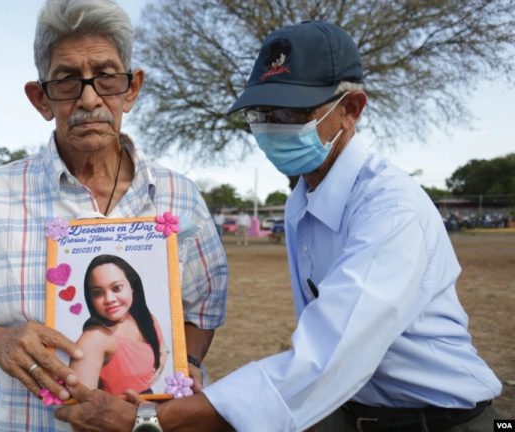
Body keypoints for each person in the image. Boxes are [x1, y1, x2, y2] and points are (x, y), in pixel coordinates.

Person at [55, 21, 501, 432]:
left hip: (437, 419)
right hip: (348, 412)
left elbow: (327, 356)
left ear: (351, 109)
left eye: (293, 113)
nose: (273, 129)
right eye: (261, 114)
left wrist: (151, 419)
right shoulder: (302, 201)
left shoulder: (389, 210)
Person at [0, 1, 228, 430]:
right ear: (41, 98)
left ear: (132, 88)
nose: (89, 98)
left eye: (106, 77)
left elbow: (200, 311)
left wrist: (186, 360)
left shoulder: (180, 196)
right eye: (67, 81)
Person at [71, 254, 167, 396]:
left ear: (132, 286)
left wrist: (165, 352)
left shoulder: (148, 320)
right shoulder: (94, 339)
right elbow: (82, 408)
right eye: (97, 293)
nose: (109, 299)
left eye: (116, 288)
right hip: (114, 415)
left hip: (153, 409)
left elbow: (162, 352)